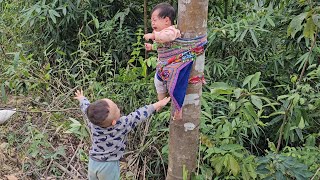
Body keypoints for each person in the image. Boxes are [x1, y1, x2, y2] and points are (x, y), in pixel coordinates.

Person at [74, 89, 171, 180]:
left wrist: (82, 98)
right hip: (108, 166)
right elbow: (138, 115)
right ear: (113, 122)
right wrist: (157, 104)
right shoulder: (120, 125)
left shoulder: (92, 121)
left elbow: (86, 107)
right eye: (117, 109)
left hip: (93, 163)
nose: (118, 108)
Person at [144, 2, 181, 102]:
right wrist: (152, 47)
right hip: (163, 66)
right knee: (158, 82)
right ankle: (162, 101)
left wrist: (153, 36)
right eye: (151, 20)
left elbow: (166, 37)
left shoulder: (172, 31)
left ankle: (164, 101)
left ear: (167, 21)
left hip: (173, 65)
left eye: (155, 20)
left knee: (171, 84)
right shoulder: (160, 34)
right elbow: (161, 45)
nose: (152, 23)